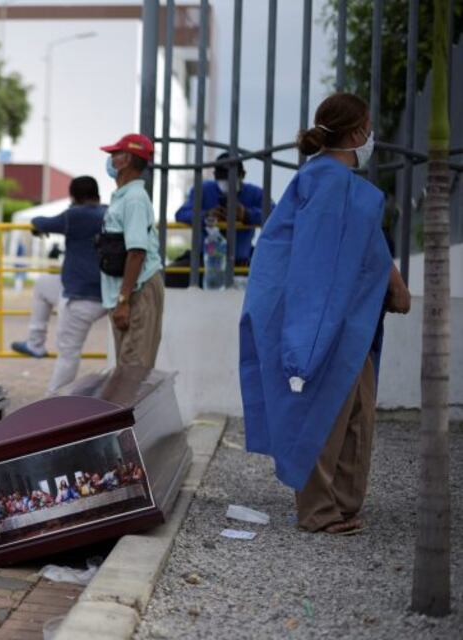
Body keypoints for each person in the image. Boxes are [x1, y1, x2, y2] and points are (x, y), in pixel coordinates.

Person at [239, 93, 411, 536]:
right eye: (368, 127)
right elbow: (319, 265)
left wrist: (391, 284)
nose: (372, 135)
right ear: (357, 133)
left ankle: (342, 504)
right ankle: (318, 511)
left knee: (355, 412)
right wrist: (309, 335)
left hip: (344, 318)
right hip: (326, 320)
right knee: (327, 411)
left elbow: (365, 245)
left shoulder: (331, 182)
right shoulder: (331, 184)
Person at [12, 176, 108, 394]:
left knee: (68, 354)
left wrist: (39, 227)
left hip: (81, 296)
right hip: (107, 293)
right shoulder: (109, 212)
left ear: (73, 197)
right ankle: (35, 343)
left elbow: (40, 222)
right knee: (43, 284)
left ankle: (54, 404)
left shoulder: (74, 215)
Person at [98, 133, 165, 369]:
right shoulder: (125, 197)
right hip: (129, 291)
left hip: (137, 291)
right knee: (127, 366)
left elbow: (137, 252)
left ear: (125, 160)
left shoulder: (134, 199)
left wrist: (124, 301)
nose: (111, 159)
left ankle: (133, 408)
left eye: (115, 154)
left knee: (133, 369)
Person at [174, 151, 268, 266]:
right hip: (204, 260)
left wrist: (246, 215)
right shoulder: (203, 190)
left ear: (243, 174)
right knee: (169, 275)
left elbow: (275, 214)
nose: (227, 183)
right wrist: (206, 216)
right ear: (214, 176)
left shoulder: (255, 194)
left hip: (241, 261)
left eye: (231, 178)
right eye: (223, 178)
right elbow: (181, 214)